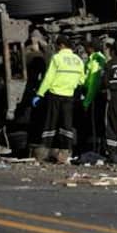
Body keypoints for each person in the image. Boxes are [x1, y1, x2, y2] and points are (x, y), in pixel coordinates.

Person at [33, 35, 85, 164]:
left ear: (61, 45)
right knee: (66, 125)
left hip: (55, 95)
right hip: (69, 95)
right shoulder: (77, 60)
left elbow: (48, 78)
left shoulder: (57, 58)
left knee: (51, 123)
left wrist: (39, 94)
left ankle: (45, 152)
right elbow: (82, 80)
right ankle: (65, 153)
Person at [80, 40, 108, 155]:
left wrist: (86, 102)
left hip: (95, 97)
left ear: (91, 48)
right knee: (99, 123)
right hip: (97, 95)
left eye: (86, 47)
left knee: (95, 125)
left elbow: (93, 84)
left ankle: (96, 150)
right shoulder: (98, 58)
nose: (85, 50)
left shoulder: (96, 60)